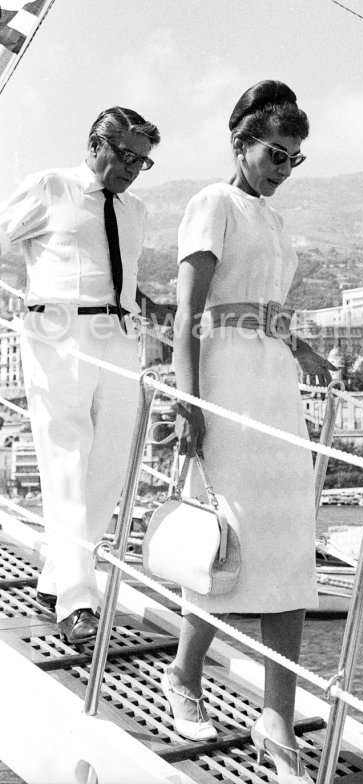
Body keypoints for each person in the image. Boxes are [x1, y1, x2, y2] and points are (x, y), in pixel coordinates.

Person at [167, 81, 333, 783]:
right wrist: (188, 402)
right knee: (229, 537)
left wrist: (301, 350)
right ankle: (184, 673)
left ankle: (275, 714)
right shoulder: (213, 203)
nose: (282, 168)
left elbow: (266, 306)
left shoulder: (273, 220)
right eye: (274, 153)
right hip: (227, 378)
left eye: (294, 159)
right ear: (241, 143)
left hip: (275, 384)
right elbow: (188, 315)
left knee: (290, 542)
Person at [0, 107, 160, 644]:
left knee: (109, 466)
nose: (134, 169)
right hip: (57, 335)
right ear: (96, 144)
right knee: (67, 458)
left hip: (119, 339)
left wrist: (154, 307)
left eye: (143, 160)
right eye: (126, 156)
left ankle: (56, 579)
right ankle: (76, 601)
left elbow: (118, 272)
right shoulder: (50, 187)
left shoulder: (136, 210)